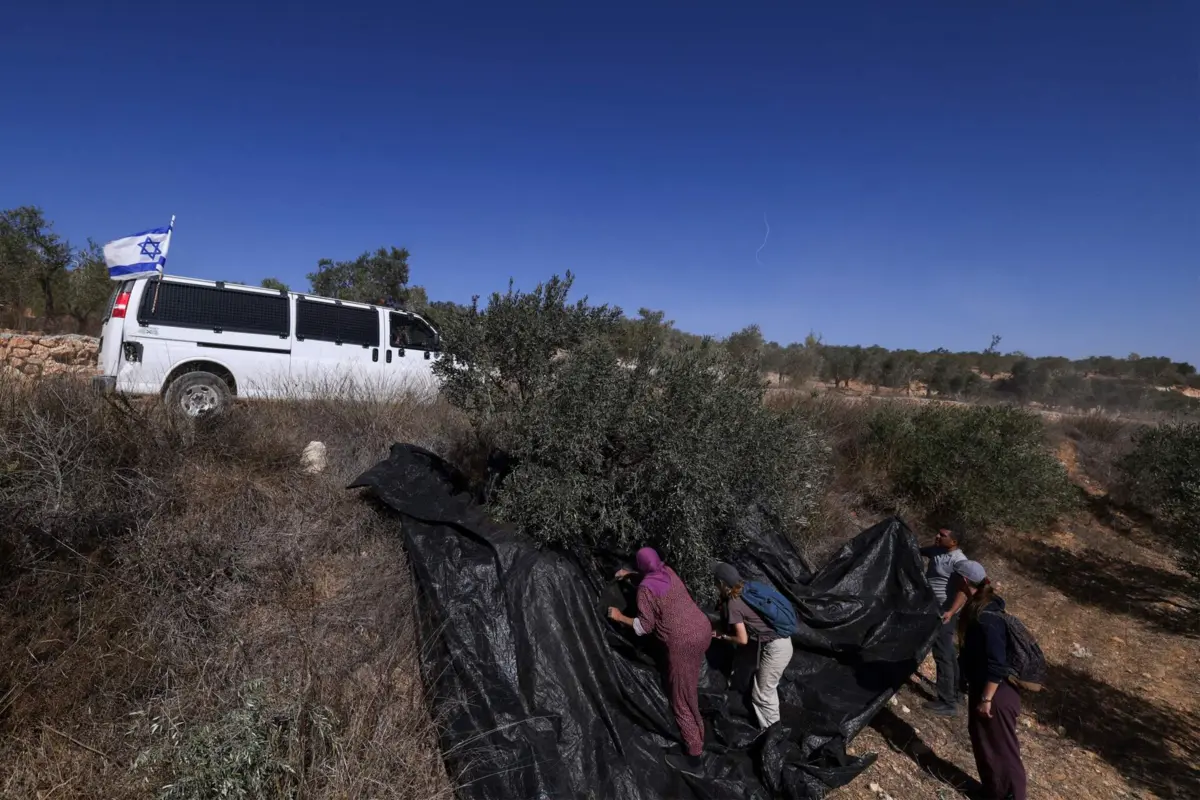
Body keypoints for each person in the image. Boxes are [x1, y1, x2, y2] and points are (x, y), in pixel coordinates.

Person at [607, 547, 713, 775]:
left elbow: (643, 627)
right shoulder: (668, 572)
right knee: (687, 685)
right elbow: (650, 580)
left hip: (684, 644)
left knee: (680, 701)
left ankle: (695, 758)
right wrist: (630, 575)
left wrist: (618, 616)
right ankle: (698, 724)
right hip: (703, 629)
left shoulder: (645, 590)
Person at [956, 561, 1028, 800]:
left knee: (1003, 750)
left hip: (996, 693)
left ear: (964, 582)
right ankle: (992, 792)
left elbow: (997, 663)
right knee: (985, 743)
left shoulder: (988, 617)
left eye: (954, 578)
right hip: (985, 688)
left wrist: (987, 698)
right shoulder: (977, 609)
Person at [712, 562, 794, 729]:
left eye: (715, 582)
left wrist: (722, 635)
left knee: (762, 695)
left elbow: (742, 639)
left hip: (776, 647)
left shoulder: (733, 604)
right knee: (747, 669)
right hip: (770, 642)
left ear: (721, 583)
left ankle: (774, 737)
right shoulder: (749, 587)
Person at [919, 527, 968, 715]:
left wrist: (950, 611)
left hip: (944, 612)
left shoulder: (958, 561)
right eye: (938, 533)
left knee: (942, 653)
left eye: (943, 535)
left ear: (954, 542)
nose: (937, 536)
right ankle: (956, 695)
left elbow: (963, 591)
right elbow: (918, 550)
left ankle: (947, 702)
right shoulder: (936, 550)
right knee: (946, 650)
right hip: (933, 608)